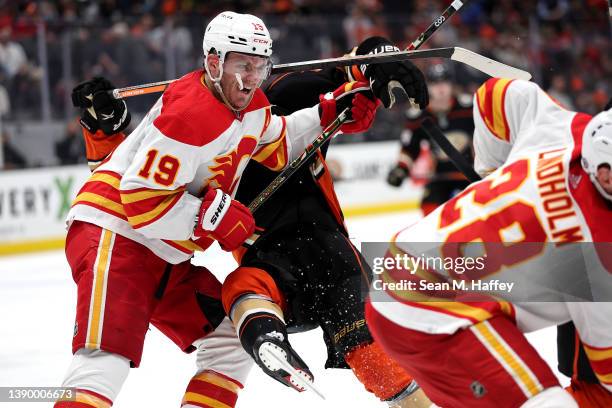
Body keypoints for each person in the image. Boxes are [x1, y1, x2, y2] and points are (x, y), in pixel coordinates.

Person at [55, 11, 379, 408]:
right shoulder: (187, 116)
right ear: (213, 62)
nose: (253, 78)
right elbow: (140, 201)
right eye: (243, 65)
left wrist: (330, 112)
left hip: (163, 250)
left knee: (229, 340)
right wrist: (211, 216)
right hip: (116, 233)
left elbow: (278, 143)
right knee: (106, 356)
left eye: (260, 66)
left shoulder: (252, 105)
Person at [365, 78, 612, 407]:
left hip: (408, 269)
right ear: (606, 175)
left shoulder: (567, 128)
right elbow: (606, 373)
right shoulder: (599, 254)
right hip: (430, 311)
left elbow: (498, 94)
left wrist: (492, 170)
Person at [222, 36, 432, 407]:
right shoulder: (215, 140)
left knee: (371, 353)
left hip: (321, 247)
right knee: (245, 286)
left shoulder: (286, 93)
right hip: (279, 248)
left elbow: (341, 78)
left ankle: (263, 332)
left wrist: (375, 59)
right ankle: (265, 336)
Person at [386, 63, 474, 215]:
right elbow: (410, 148)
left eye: (444, 82)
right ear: (428, 87)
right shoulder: (418, 116)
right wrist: (401, 169)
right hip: (439, 178)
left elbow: (487, 135)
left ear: (451, 85)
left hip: (470, 176)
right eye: (435, 83)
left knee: (472, 211)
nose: (440, 88)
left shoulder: (469, 108)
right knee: (429, 209)